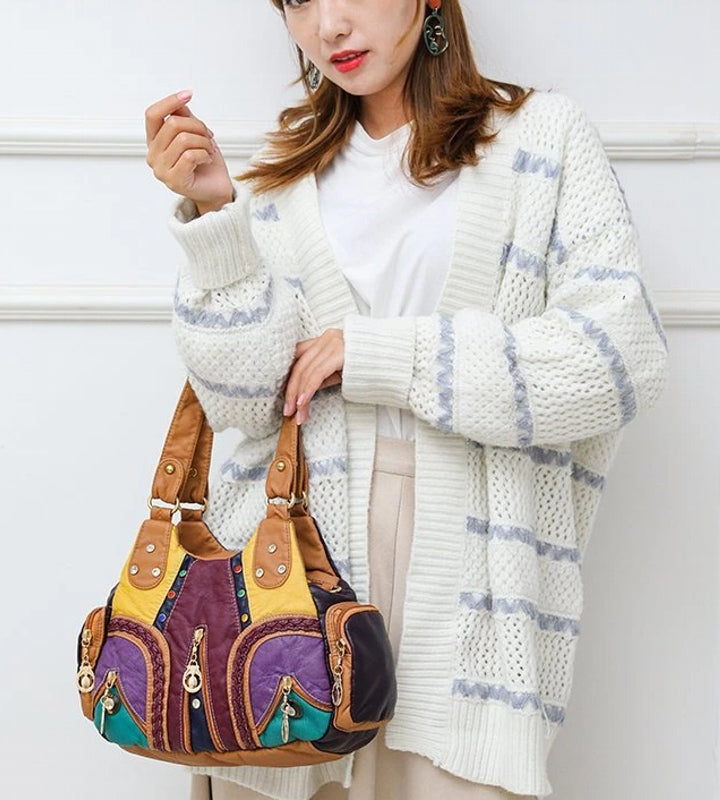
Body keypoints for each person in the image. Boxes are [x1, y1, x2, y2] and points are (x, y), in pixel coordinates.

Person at [143, 1, 669, 798]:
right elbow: (245, 409)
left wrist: (381, 351)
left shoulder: (542, 142)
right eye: (299, 2)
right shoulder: (277, 182)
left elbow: (614, 360)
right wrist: (219, 216)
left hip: (472, 586)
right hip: (286, 590)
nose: (329, 28)